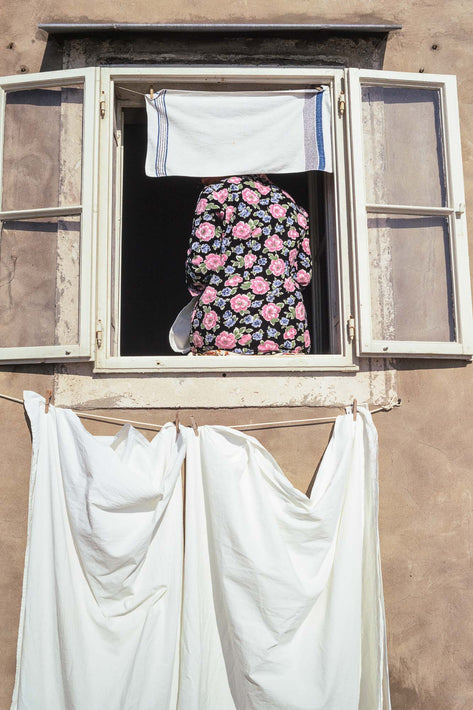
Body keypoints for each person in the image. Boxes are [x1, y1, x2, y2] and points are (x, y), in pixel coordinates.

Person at [185, 174, 312, 355]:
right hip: (288, 330)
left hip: (224, 326)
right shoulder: (293, 206)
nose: (201, 178)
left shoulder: (215, 194)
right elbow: (303, 276)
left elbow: (200, 268)